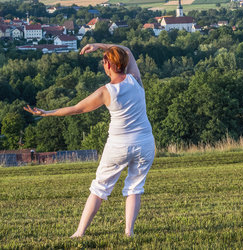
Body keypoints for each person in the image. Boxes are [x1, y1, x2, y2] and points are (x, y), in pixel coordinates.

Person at [24, 43, 155, 237]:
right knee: (135, 187)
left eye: (104, 61)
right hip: (145, 143)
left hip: (118, 145)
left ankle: (79, 232)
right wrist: (99, 46)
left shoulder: (106, 92)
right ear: (124, 63)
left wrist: (47, 113)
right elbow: (127, 49)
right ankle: (129, 232)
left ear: (107, 65)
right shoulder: (135, 80)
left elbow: (77, 108)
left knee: (100, 187)